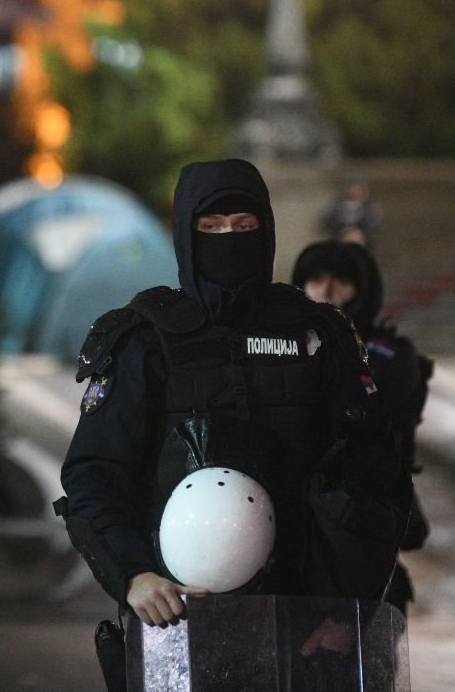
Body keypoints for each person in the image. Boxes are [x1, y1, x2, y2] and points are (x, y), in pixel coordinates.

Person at [58, 159, 401, 687]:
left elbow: (373, 474)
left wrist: (347, 609)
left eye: (244, 226)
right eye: (211, 227)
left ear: (266, 230)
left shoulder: (319, 336)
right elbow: (93, 476)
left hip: (306, 623)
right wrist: (133, 574)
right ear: (185, 234)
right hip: (177, 619)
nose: (229, 240)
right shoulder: (144, 342)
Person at [293, 239, 433, 615]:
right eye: (316, 279)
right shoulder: (287, 344)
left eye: (341, 282)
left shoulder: (388, 355)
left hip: (362, 511)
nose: (326, 291)